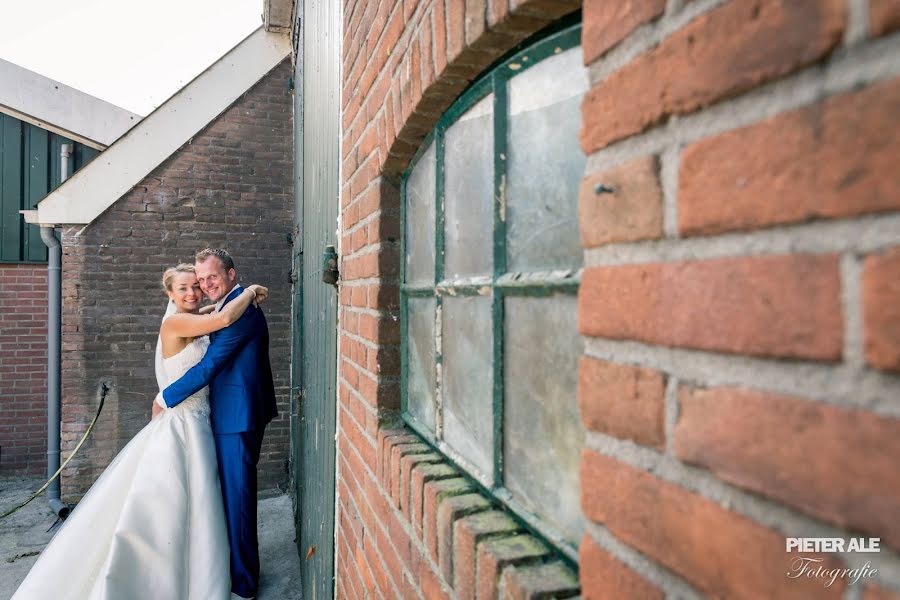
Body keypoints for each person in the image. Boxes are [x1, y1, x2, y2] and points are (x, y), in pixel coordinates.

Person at [12, 264, 268, 600]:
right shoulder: (177, 322)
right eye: (183, 288)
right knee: (169, 501)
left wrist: (223, 301)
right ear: (169, 294)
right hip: (183, 421)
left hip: (200, 421)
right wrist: (249, 292)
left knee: (201, 499)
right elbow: (219, 322)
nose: (192, 293)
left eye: (197, 286)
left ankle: (199, 566)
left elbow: (211, 313)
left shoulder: (191, 317)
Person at [154, 248, 278, 600]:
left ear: (231, 275)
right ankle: (232, 570)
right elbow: (211, 317)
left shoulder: (242, 310)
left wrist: (164, 398)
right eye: (200, 279)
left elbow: (210, 365)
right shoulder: (229, 304)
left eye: (212, 278)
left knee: (238, 502)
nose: (205, 286)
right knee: (224, 499)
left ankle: (244, 586)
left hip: (237, 418)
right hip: (223, 415)